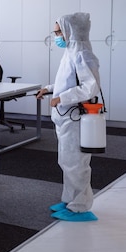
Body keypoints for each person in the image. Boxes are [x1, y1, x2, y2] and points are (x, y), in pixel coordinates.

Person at [36, 12, 101, 222]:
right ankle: (69, 200)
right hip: (66, 117)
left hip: (76, 118)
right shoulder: (71, 53)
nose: (56, 36)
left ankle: (80, 207)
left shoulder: (83, 54)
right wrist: (49, 90)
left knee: (76, 163)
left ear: (70, 31)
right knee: (66, 160)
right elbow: (68, 82)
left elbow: (90, 88)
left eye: (58, 32)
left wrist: (61, 98)